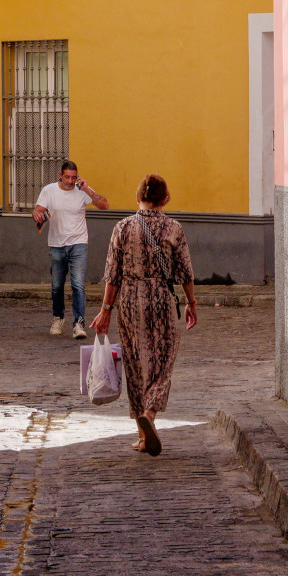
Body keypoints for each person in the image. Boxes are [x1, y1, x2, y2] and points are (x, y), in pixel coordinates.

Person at [89, 173, 197, 456]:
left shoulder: (122, 227)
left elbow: (112, 275)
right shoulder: (174, 228)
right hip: (161, 299)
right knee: (163, 363)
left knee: (135, 364)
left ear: (137, 197)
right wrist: (191, 302)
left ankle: (142, 436)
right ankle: (149, 413)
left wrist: (105, 311)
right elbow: (185, 272)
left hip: (129, 300)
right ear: (165, 199)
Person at [32, 160, 109, 338]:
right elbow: (38, 210)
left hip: (78, 243)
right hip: (57, 244)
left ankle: (79, 323)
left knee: (78, 285)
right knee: (57, 286)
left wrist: (88, 190)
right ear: (60, 175)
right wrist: (36, 214)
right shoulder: (49, 190)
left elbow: (104, 205)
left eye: (73, 177)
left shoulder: (82, 190)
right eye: (67, 177)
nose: (70, 181)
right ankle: (58, 318)